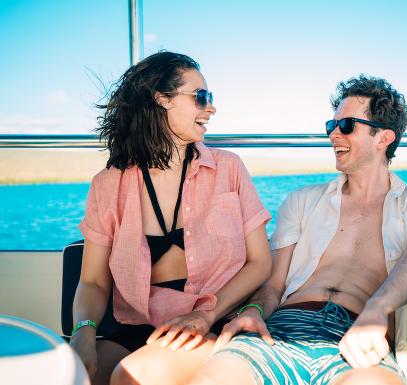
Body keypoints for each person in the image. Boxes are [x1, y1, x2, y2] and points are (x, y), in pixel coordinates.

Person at [190, 75, 407, 385]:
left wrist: (378, 309)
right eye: (330, 126)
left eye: (345, 126)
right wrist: (253, 310)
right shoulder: (302, 200)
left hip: (362, 333)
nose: (333, 135)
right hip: (283, 327)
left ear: (383, 138)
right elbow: (273, 283)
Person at [69, 51, 272, 385]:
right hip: (132, 328)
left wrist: (206, 314)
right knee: (70, 376)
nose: (212, 108)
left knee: (130, 377)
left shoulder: (229, 168)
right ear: (161, 99)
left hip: (214, 321)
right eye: (201, 97)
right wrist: (83, 333)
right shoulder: (107, 185)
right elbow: (92, 281)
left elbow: (260, 263)